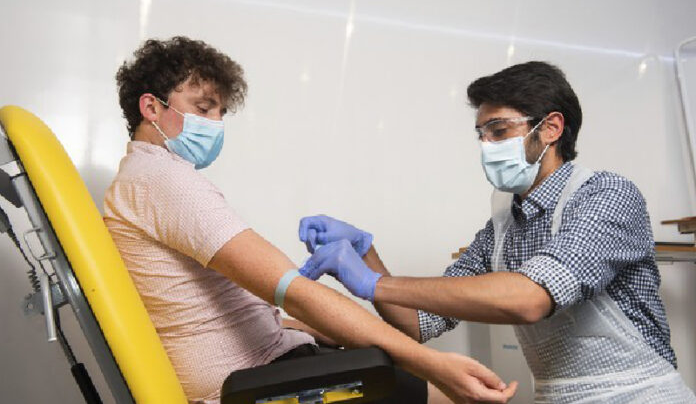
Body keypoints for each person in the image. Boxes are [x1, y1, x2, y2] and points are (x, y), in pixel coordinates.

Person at [103, 36, 517, 404]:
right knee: (448, 394)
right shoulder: (164, 182)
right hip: (254, 378)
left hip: (265, 359)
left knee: (399, 365)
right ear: (151, 107)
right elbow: (294, 291)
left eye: (220, 112)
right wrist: (434, 365)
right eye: (203, 108)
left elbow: (210, 306)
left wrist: (305, 327)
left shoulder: (140, 180)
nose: (215, 124)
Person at [299, 61, 696, 403]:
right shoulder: (502, 227)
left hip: (638, 394)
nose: (486, 146)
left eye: (499, 131)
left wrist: (373, 284)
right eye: (481, 135)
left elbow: (530, 297)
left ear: (552, 127)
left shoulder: (607, 196)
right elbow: (419, 323)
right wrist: (366, 251)